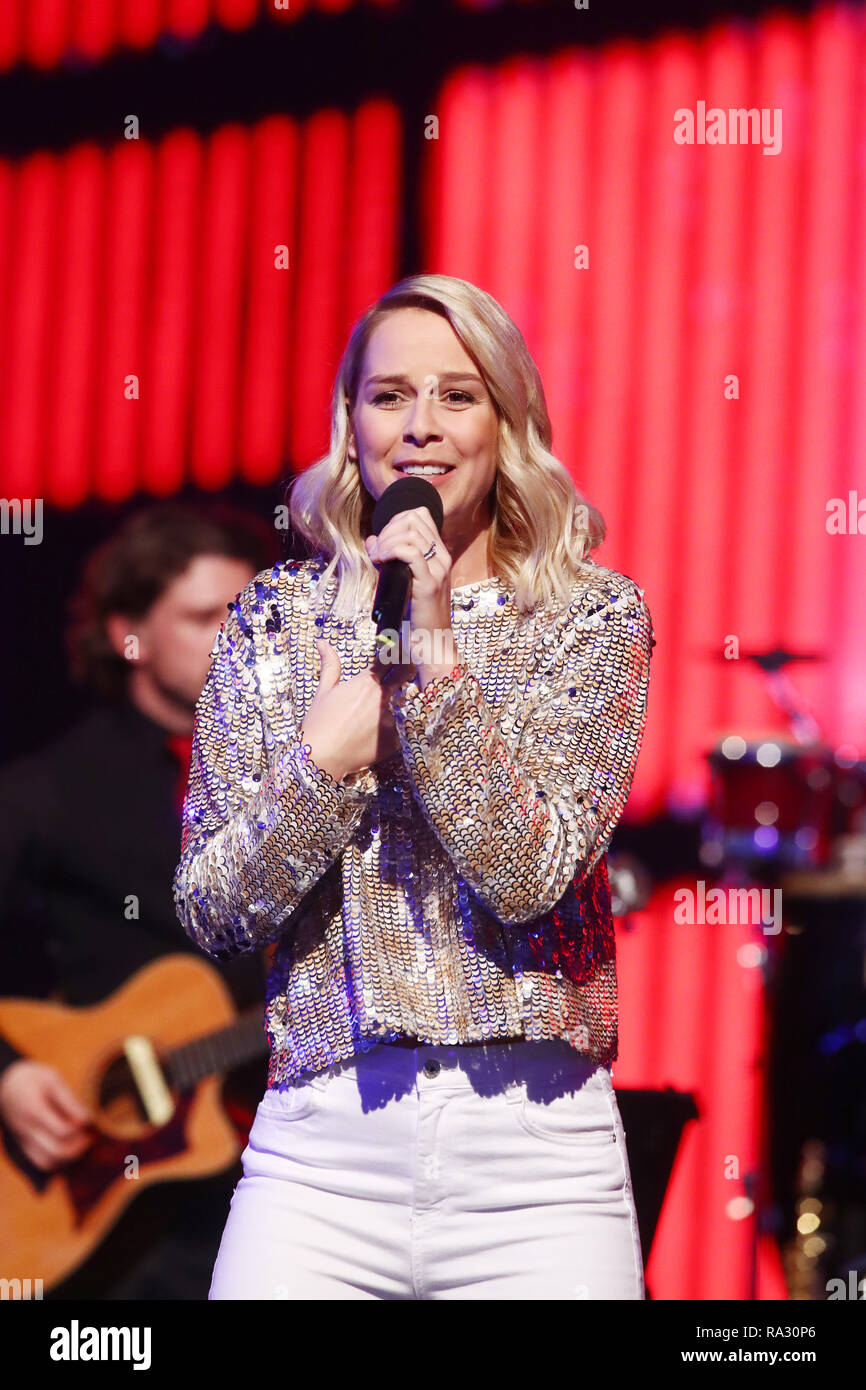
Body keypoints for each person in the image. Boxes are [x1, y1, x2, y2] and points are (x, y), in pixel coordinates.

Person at [173, 274, 656, 1300]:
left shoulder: (587, 619)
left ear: (506, 422)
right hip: (320, 1154)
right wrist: (326, 766)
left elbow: (525, 874)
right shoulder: (273, 619)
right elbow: (214, 906)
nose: (420, 426)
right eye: (389, 396)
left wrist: (431, 654)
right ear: (350, 424)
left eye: (457, 394)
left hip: (534, 1165)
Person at [0, 501, 277, 1299]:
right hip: (119, 1210)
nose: (236, 639)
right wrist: (10, 1077)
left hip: (272, 1172)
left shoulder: (307, 775)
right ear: (129, 634)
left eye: (249, 615)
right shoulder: (47, 794)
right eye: (203, 617)